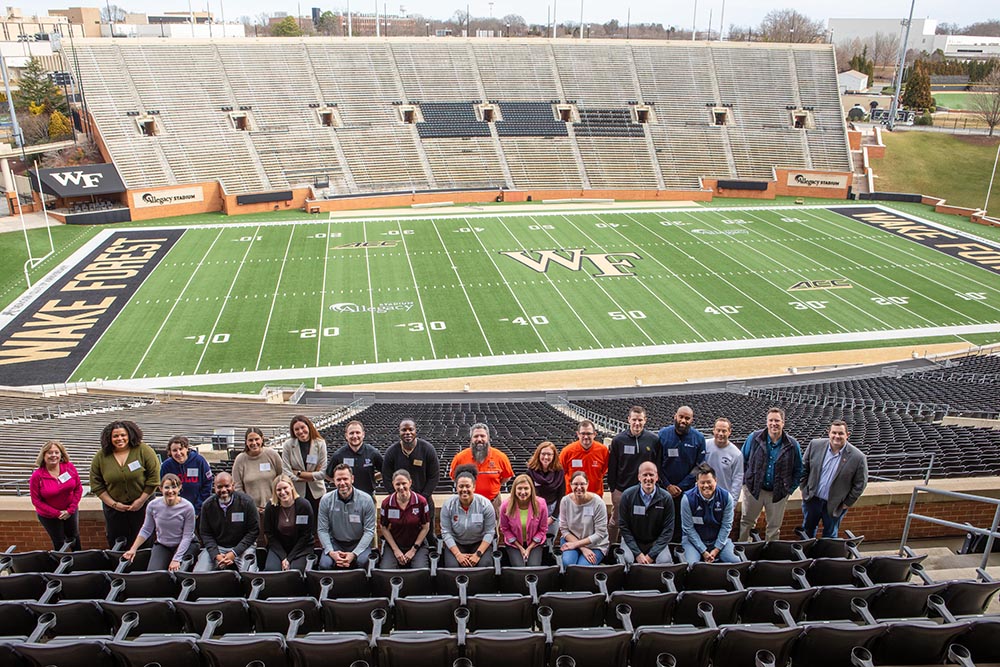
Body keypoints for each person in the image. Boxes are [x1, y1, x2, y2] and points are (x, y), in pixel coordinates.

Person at [91, 420, 161, 548]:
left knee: (144, 541)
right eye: (115, 436)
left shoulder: (144, 450)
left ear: (130, 435)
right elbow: (96, 485)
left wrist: (140, 501)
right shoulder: (101, 457)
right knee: (118, 542)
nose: (120, 439)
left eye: (123, 435)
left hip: (142, 506)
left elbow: (154, 478)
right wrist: (114, 504)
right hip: (114, 510)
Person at [739, 407, 804, 542]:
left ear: (783, 423)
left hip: (778, 493)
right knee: (747, 523)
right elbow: (742, 461)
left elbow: (798, 469)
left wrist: (789, 489)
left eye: (777, 421)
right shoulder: (754, 438)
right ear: (767, 422)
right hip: (754, 490)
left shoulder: (792, 444)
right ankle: (744, 549)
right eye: (771, 420)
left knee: (774, 527)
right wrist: (746, 483)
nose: (774, 423)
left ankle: (771, 552)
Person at [799, 420, 868, 538]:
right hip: (812, 500)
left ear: (847, 435)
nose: (837, 436)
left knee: (830, 535)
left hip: (836, 505)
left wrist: (847, 503)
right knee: (807, 531)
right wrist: (804, 489)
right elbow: (803, 469)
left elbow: (860, 484)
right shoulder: (815, 445)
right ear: (829, 433)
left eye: (841, 433)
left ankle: (826, 551)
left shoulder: (858, 457)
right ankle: (807, 550)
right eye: (834, 433)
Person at [122, 474, 197, 571]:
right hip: (163, 544)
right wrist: (133, 549)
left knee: (178, 571)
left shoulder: (188, 507)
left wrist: (176, 559)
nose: (170, 491)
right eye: (167, 487)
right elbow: (146, 529)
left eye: (174, 487)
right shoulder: (153, 505)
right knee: (153, 573)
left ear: (179, 488)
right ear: (160, 489)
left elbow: (187, 536)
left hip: (186, 544)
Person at [382, 419, 440, 545]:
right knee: (402, 535)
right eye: (404, 430)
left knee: (429, 536)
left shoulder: (427, 449)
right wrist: (396, 497)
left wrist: (421, 499)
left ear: (415, 431)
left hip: (424, 502)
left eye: (410, 429)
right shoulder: (391, 452)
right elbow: (386, 477)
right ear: (399, 432)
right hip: (400, 503)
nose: (407, 432)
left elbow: (434, 477)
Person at [607, 406, 659, 544]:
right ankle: (610, 548)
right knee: (616, 521)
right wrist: (613, 489)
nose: (637, 423)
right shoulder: (618, 440)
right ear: (628, 419)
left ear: (645, 420)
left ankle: (636, 548)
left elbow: (657, 465)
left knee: (641, 520)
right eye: (634, 419)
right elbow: (612, 467)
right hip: (622, 490)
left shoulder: (653, 440)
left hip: (644, 491)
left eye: (640, 420)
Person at [196, 472, 260, 572]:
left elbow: (253, 531)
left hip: (243, 548)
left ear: (233, 485)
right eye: (219, 487)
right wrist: (216, 555)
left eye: (227, 486)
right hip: (218, 548)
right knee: (199, 574)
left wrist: (234, 553)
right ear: (214, 487)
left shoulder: (247, 502)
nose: (223, 490)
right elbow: (205, 533)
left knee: (249, 575)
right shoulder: (207, 506)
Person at [317, 464, 377, 570]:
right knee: (324, 565)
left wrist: (354, 554)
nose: (342, 483)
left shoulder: (366, 500)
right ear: (333, 481)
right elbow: (322, 530)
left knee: (363, 562)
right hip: (335, 543)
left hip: (358, 542)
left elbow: (369, 531)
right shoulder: (325, 500)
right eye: (338, 479)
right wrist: (331, 552)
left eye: (345, 479)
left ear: (352, 479)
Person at [449, 423, 514, 515]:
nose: (479, 439)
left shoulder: (501, 457)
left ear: (488, 438)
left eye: (482, 436)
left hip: (493, 503)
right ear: (471, 439)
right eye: (476, 436)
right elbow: (454, 477)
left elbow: (506, 477)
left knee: (494, 524)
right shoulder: (460, 458)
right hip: (467, 504)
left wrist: (493, 485)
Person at [30, 440, 83, 550]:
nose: (53, 455)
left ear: (61, 454)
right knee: (59, 542)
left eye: (56, 452)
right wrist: (57, 513)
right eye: (50, 453)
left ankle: (78, 559)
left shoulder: (69, 467)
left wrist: (70, 510)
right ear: (44, 455)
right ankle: (61, 560)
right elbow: (36, 501)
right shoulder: (37, 476)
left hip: (70, 511)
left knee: (74, 538)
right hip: (49, 516)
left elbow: (78, 488)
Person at [618, 461, 674, 565]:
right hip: (632, 541)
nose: (648, 478)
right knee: (626, 560)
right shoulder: (627, 496)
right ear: (639, 477)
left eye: (651, 475)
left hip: (655, 542)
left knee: (665, 561)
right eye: (645, 475)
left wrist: (651, 555)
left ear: (657, 477)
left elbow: (668, 530)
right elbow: (623, 526)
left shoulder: (666, 498)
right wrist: (637, 553)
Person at [681, 464, 739, 564]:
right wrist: (703, 551)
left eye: (709, 482)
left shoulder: (726, 497)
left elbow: (726, 525)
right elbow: (688, 528)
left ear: (715, 481)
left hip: (718, 540)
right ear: (697, 483)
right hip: (693, 541)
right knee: (691, 564)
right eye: (702, 482)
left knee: (735, 562)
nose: (706, 486)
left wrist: (716, 549)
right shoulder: (687, 499)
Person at [440, 466, 496, 568]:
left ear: (474, 487)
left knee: (486, 565)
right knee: (452, 566)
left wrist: (477, 554)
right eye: (461, 486)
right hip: (457, 543)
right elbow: (446, 532)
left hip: (479, 543)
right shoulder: (448, 505)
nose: (464, 489)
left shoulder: (485, 505)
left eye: (467, 486)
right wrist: (458, 554)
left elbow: (490, 532)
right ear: (456, 487)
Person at [378, 469, 431, 569]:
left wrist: (413, 550)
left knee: (420, 571)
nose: (401, 487)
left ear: (410, 482)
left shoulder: (421, 502)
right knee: (386, 570)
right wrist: (396, 550)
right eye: (397, 484)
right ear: (393, 484)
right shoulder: (386, 503)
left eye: (404, 483)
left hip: (417, 545)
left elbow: (426, 527)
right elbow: (383, 527)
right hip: (395, 544)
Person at [658, 406, 706, 514]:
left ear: (692, 420)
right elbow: (657, 463)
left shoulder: (699, 438)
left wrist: (681, 486)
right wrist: (667, 485)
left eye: (687, 418)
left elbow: (700, 466)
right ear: (675, 416)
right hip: (664, 490)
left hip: (687, 492)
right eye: (681, 417)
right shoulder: (663, 434)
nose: (683, 420)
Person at [262, 475, 315, 571]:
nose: (282, 492)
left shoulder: (304, 505)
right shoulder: (271, 507)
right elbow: (269, 534)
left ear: (291, 486)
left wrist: (289, 559)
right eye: (279, 490)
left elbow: (306, 535)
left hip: (301, 547)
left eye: (285, 488)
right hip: (279, 547)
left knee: (295, 570)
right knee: (271, 569)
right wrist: (283, 557)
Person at [559, 470, 609, 567]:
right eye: (575, 484)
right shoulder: (565, 501)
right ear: (570, 484)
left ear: (587, 484)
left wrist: (577, 545)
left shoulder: (598, 503)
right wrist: (582, 547)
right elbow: (564, 529)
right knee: (567, 564)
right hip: (571, 540)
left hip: (595, 545)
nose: (579, 487)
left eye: (582, 484)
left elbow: (600, 534)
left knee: (582, 568)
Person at [499, 474, 549, 567]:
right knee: (519, 567)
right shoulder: (505, 505)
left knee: (533, 567)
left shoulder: (541, 504)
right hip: (514, 543)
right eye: (519, 488)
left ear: (531, 489)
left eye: (526, 488)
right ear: (514, 490)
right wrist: (520, 548)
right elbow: (505, 528)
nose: (523, 492)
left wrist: (529, 548)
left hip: (535, 543)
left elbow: (543, 529)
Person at [282, 415, 327, 515]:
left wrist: (298, 473)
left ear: (309, 426)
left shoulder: (320, 443)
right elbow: (286, 472)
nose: (301, 431)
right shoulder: (288, 445)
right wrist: (311, 476)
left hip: (317, 493)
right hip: (297, 493)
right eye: (296, 429)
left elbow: (323, 473)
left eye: (303, 427)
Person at [232, 427, 283, 515]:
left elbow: (282, 478)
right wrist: (251, 506)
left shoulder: (272, 454)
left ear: (262, 439)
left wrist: (276, 499)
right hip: (251, 510)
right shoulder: (240, 460)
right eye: (250, 440)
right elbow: (237, 487)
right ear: (246, 442)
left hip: (275, 506)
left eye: (256, 439)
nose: (254, 443)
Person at [159, 435, 213, 516]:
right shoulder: (166, 466)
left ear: (187, 448)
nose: (178, 453)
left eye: (181, 449)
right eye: (174, 450)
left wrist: (197, 508)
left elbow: (207, 484)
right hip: (175, 511)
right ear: (170, 452)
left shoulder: (199, 461)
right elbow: (164, 488)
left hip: (198, 510)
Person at [327, 420, 383, 497]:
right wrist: (341, 483)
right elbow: (328, 475)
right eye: (351, 433)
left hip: (368, 496)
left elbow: (385, 471)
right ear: (346, 436)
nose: (355, 436)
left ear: (363, 434)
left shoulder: (373, 453)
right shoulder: (338, 455)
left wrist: (373, 478)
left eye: (358, 432)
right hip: (345, 497)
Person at [559, 420, 609, 498]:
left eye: (589, 433)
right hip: (572, 496)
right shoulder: (567, 451)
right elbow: (560, 474)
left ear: (594, 434)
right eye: (583, 433)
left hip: (595, 497)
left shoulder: (603, 450)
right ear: (578, 434)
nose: (586, 437)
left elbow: (603, 471)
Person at [526, 441, 564, 537]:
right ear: (538, 454)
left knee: (550, 539)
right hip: (535, 511)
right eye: (543, 454)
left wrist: (553, 517)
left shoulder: (559, 473)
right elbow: (528, 495)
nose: (546, 457)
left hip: (553, 511)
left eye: (549, 454)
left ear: (554, 456)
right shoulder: (530, 472)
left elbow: (561, 496)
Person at [704, 418, 744, 498]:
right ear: (713, 430)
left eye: (724, 431)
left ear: (729, 432)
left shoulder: (736, 454)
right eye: (718, 430)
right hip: (703, 494)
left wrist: (732, 501)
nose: (720, 434)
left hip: (723, 497)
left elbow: (737, 480)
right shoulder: (704, 445)